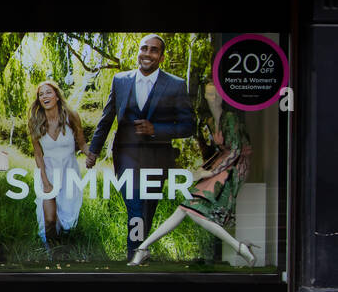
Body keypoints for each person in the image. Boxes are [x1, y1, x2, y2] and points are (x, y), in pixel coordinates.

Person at [85, 35, 194, 261]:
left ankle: (141, 250)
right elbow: (107, 119)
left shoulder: (175, 84)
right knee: (135, 206)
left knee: (148, 209)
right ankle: (133, 256)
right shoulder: (120, 80)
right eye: (144, 48)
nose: (147, 53)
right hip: (126, 155)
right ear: (138, 52)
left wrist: (156, 129)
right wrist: (93, 151)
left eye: (154, 50)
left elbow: (188, 126)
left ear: (161, 57)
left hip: (158, 156)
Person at [129, 80, 257, 266]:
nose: (213, 98)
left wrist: (209, 172)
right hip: (220, 166)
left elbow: (236, 151)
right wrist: (203, 170)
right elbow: (213, 151)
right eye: (210, 94)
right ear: (204, 97)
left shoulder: (230, 118)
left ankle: (240, 248)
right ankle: (143, 248)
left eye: (217, 94)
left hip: (234, 168)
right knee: (185, 208)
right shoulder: (210, 122)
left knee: (192, 209)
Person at [27, 80, 86, 250]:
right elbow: (38, 155)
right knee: (50, 220)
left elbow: (82, 144)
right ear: (39, 100)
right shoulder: (35, 122)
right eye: (41, 94)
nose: (44, 96)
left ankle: (65, 253)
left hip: (69, 174)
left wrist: (91, 155)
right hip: (48, 173)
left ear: (57, 96)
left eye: (48, 92)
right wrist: (45, 182)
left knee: (67, 222)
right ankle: (52, 256)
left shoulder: (72, 116)